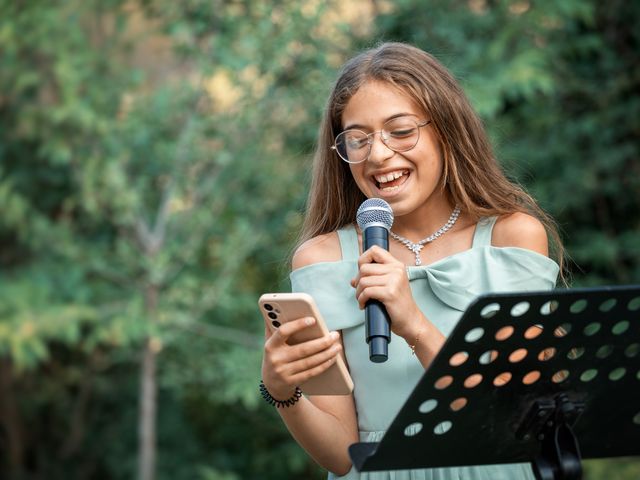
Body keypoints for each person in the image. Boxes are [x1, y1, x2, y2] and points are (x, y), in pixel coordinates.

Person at [260, 42, 564, 479]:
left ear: (446, 129)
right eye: (358, 140)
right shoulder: (323, 258)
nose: (379, 155)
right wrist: (281, 390)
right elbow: (340, 456)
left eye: (400, 131)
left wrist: (415, 326)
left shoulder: (512, 237)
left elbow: (513, 415)